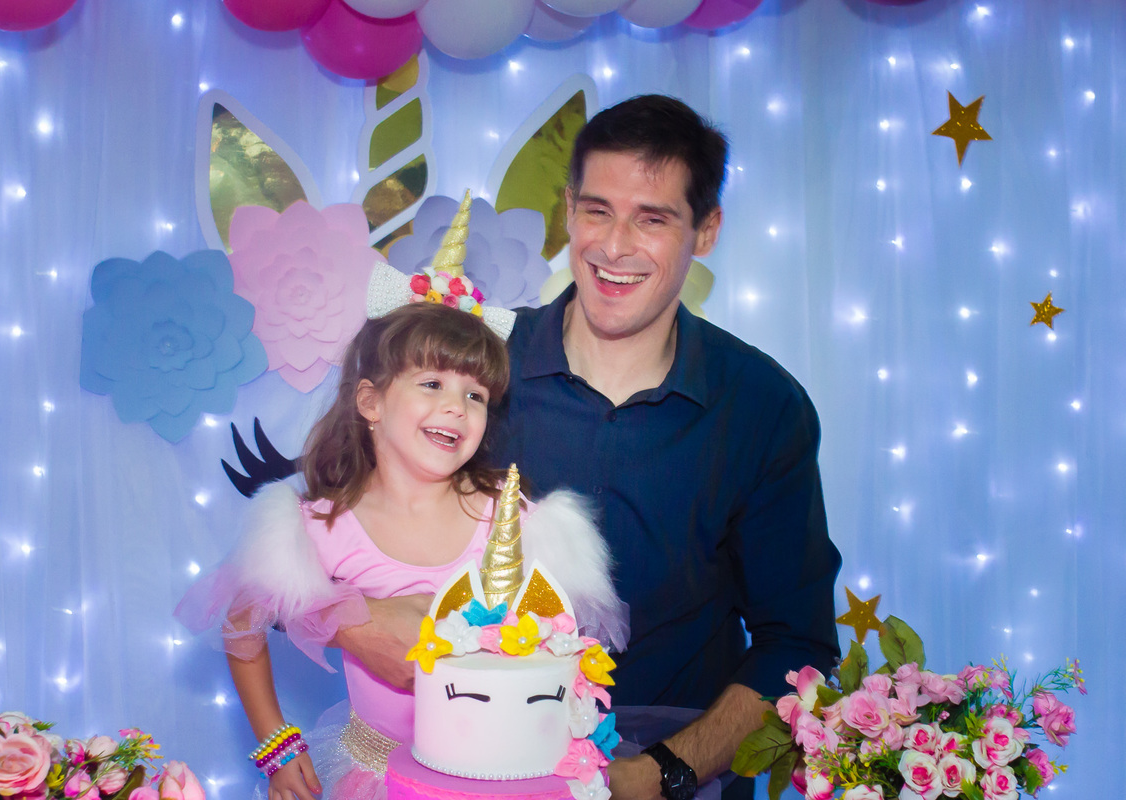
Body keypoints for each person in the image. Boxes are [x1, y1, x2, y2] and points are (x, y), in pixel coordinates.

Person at [488, 95, 843, 799]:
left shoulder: (763, 405)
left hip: (678, 776)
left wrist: (666, 772)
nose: (614, 247)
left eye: (652, 219)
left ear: (706, 230)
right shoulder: (476, 368)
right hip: (484, 762)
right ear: (568, 209)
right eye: (597, 211)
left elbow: (795, 644)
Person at [177, 302, 627, 800]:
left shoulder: (511, 517)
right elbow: (242, 622)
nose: (457, 406)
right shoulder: (322, 524)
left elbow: (563, 643)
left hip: (496, 780)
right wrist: (276, 747)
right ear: (371, 402)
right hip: (377, 776)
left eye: (475, 395)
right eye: (432, 384)